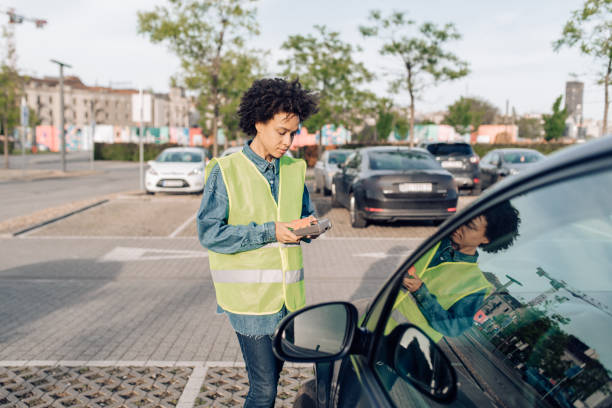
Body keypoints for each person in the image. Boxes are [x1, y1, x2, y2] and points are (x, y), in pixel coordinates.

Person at [197, 78, 318, 408]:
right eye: (282, 132)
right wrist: (270, 231)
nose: (289, 141)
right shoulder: (226, 170)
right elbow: (210, 233)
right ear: (258, 123)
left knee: (270, 383)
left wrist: (308, 227)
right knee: (264, 389)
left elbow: (305, 214)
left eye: (294, 133)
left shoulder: (294, 169)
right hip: (248, 303)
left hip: (286, 300)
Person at [388, 201, 521, 342]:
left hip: (398, 348)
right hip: (369, 321)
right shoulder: (431, 239)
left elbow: (453, 327)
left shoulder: (476, 285)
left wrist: (420, 292)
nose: (460, 226)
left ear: (486, 238)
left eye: (470, 226)